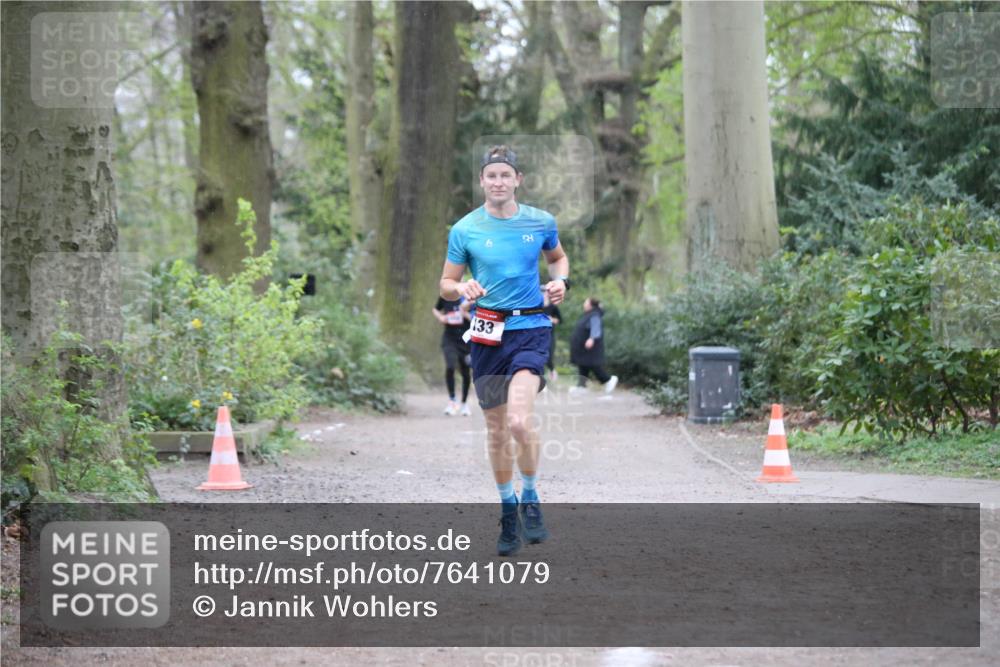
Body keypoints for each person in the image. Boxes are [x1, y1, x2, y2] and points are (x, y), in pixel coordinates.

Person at [439, 145, 570, 556]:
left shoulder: (540, 221)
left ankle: (530, 495)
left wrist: (560, 281)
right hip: (486, 333)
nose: (498, 181)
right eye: (491, 175)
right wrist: (461, 288)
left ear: (518, 180)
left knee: (517, 420)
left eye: (505, 175)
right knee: (496, 429)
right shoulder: (464, 229)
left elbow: (558, 258)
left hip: (530, 327)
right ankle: (508, 508)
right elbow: (445, 282)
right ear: (482, 182)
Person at [432, 296, 472, 416]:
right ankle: (452, 401)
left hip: (465, 340)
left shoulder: (469, 297)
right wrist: (441, 317)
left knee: (465, 372)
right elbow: (435, 309)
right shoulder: (446, 296)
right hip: (449, 339)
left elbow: (477, 318)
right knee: (450, 366)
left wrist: (464, 314)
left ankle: (464, 403)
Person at [570, 297, 618, 394]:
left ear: (590, 305)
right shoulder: (588, 314)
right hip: (583, 348)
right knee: (583, 365)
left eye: (585, 302)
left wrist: (591, 338)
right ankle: (581, 386)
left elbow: (596, 328)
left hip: (591, 348)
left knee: (595, 366)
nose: (584, 304)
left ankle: (608, 380)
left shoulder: (594, 315)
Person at [542, 289, 562, 382]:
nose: (543, 294)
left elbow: (560, 320)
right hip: (537, 335)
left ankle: (552, 370)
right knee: (538, 357)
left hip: (549, 335)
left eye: (544, 292)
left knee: (549, 357)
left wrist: (551, 320)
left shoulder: (553, 307)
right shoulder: (536, 307)